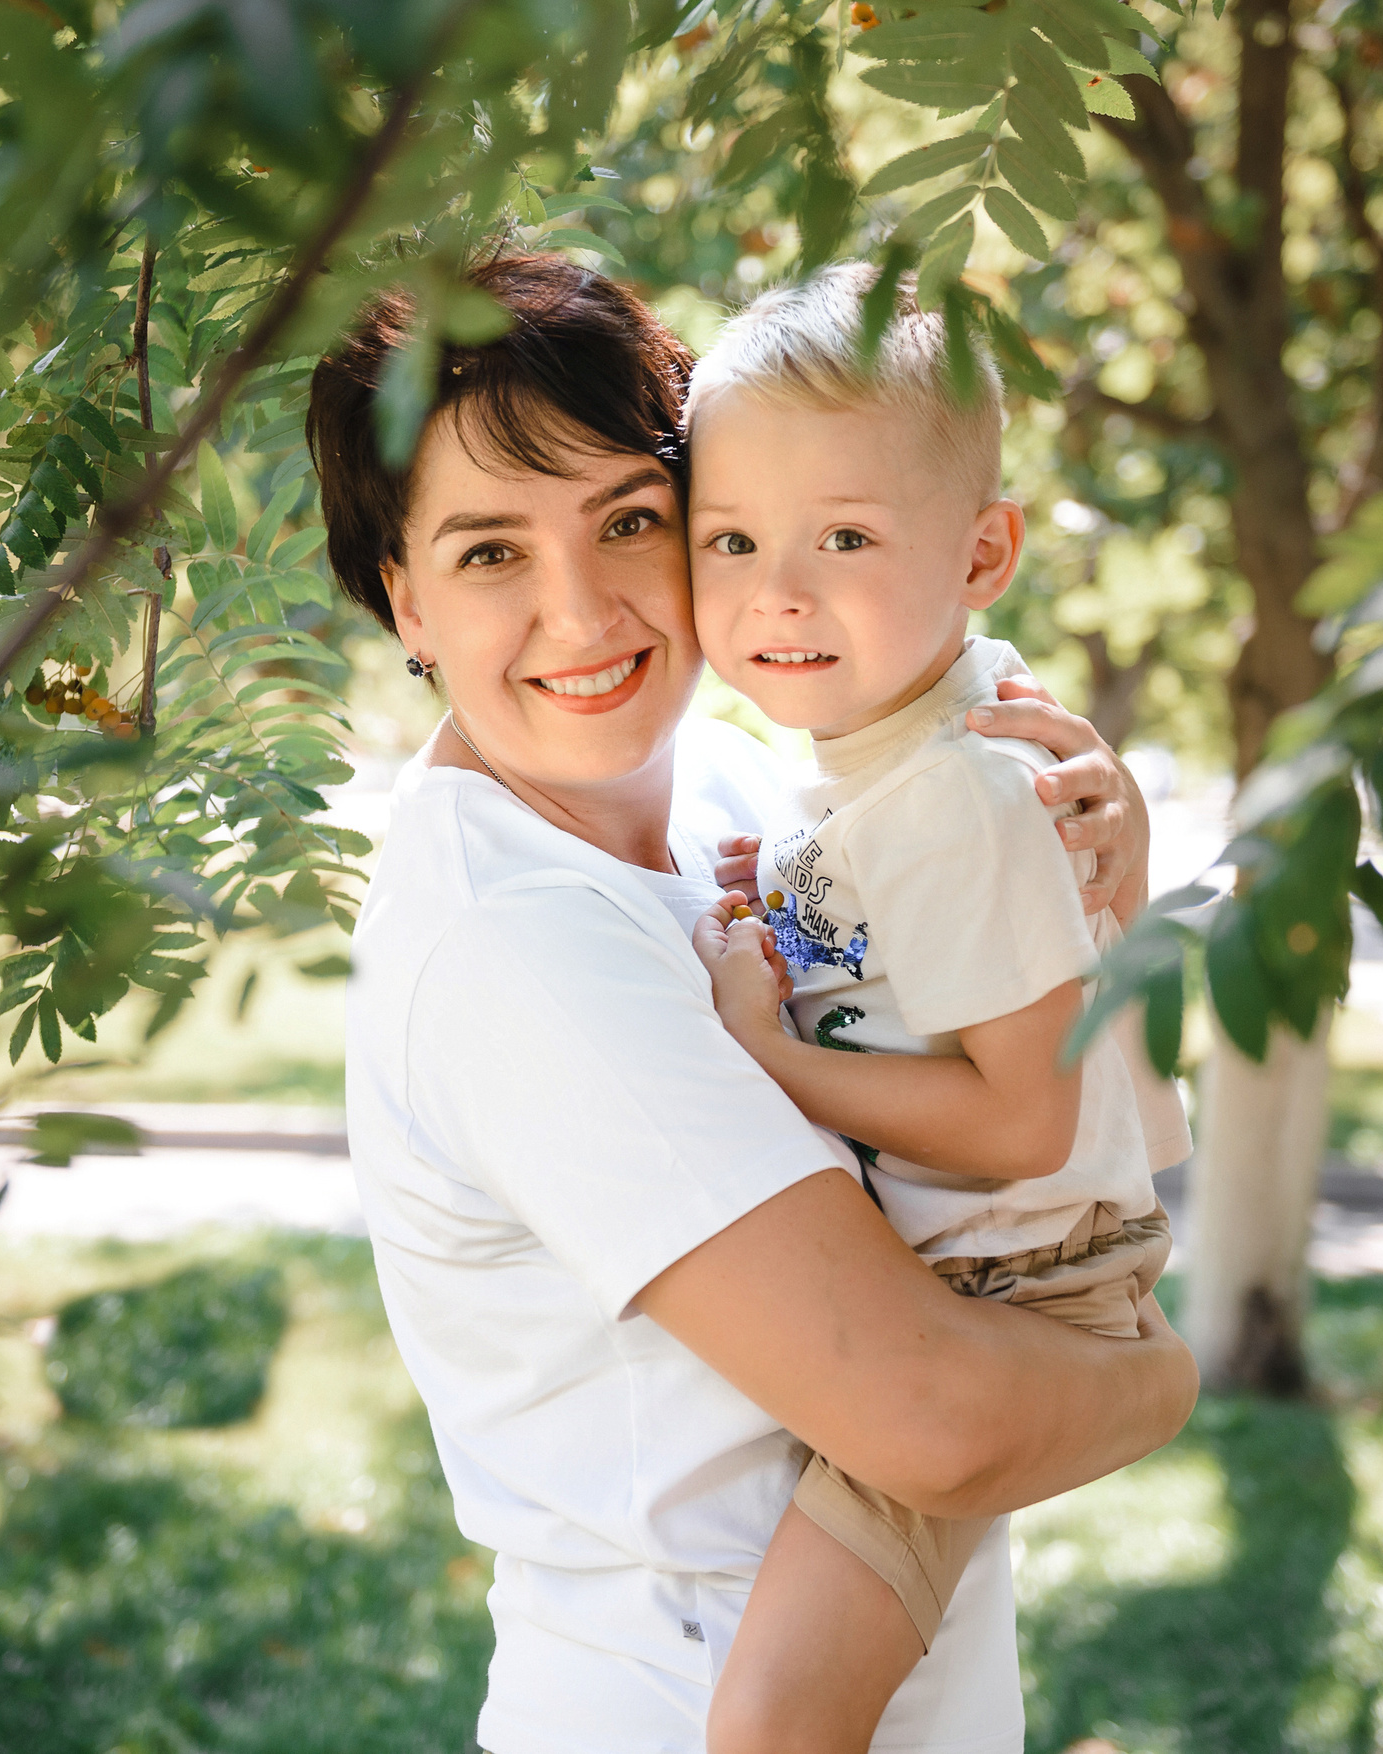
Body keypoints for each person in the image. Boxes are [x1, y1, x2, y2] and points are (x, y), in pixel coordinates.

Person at [309, 253, 1198, 1754]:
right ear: (403, 598)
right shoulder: (519, 949)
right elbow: (940, 1421)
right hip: (682, 1701)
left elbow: (975, 976)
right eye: (487, 554)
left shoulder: (729, 786)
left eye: (629, 521)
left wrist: (1090, 859)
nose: (581, 611)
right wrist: (1156, 1375)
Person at [681, 263, 1180, 1754]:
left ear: (984, 551)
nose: (779, 587)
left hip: (1015, 1291)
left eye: (844, 535)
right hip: (987, 1270)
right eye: (732, 538)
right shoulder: (904, 738)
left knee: (773, 1725)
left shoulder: (955, 789)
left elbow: (1021, 1115)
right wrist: (785, 882)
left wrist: (774, 1056)